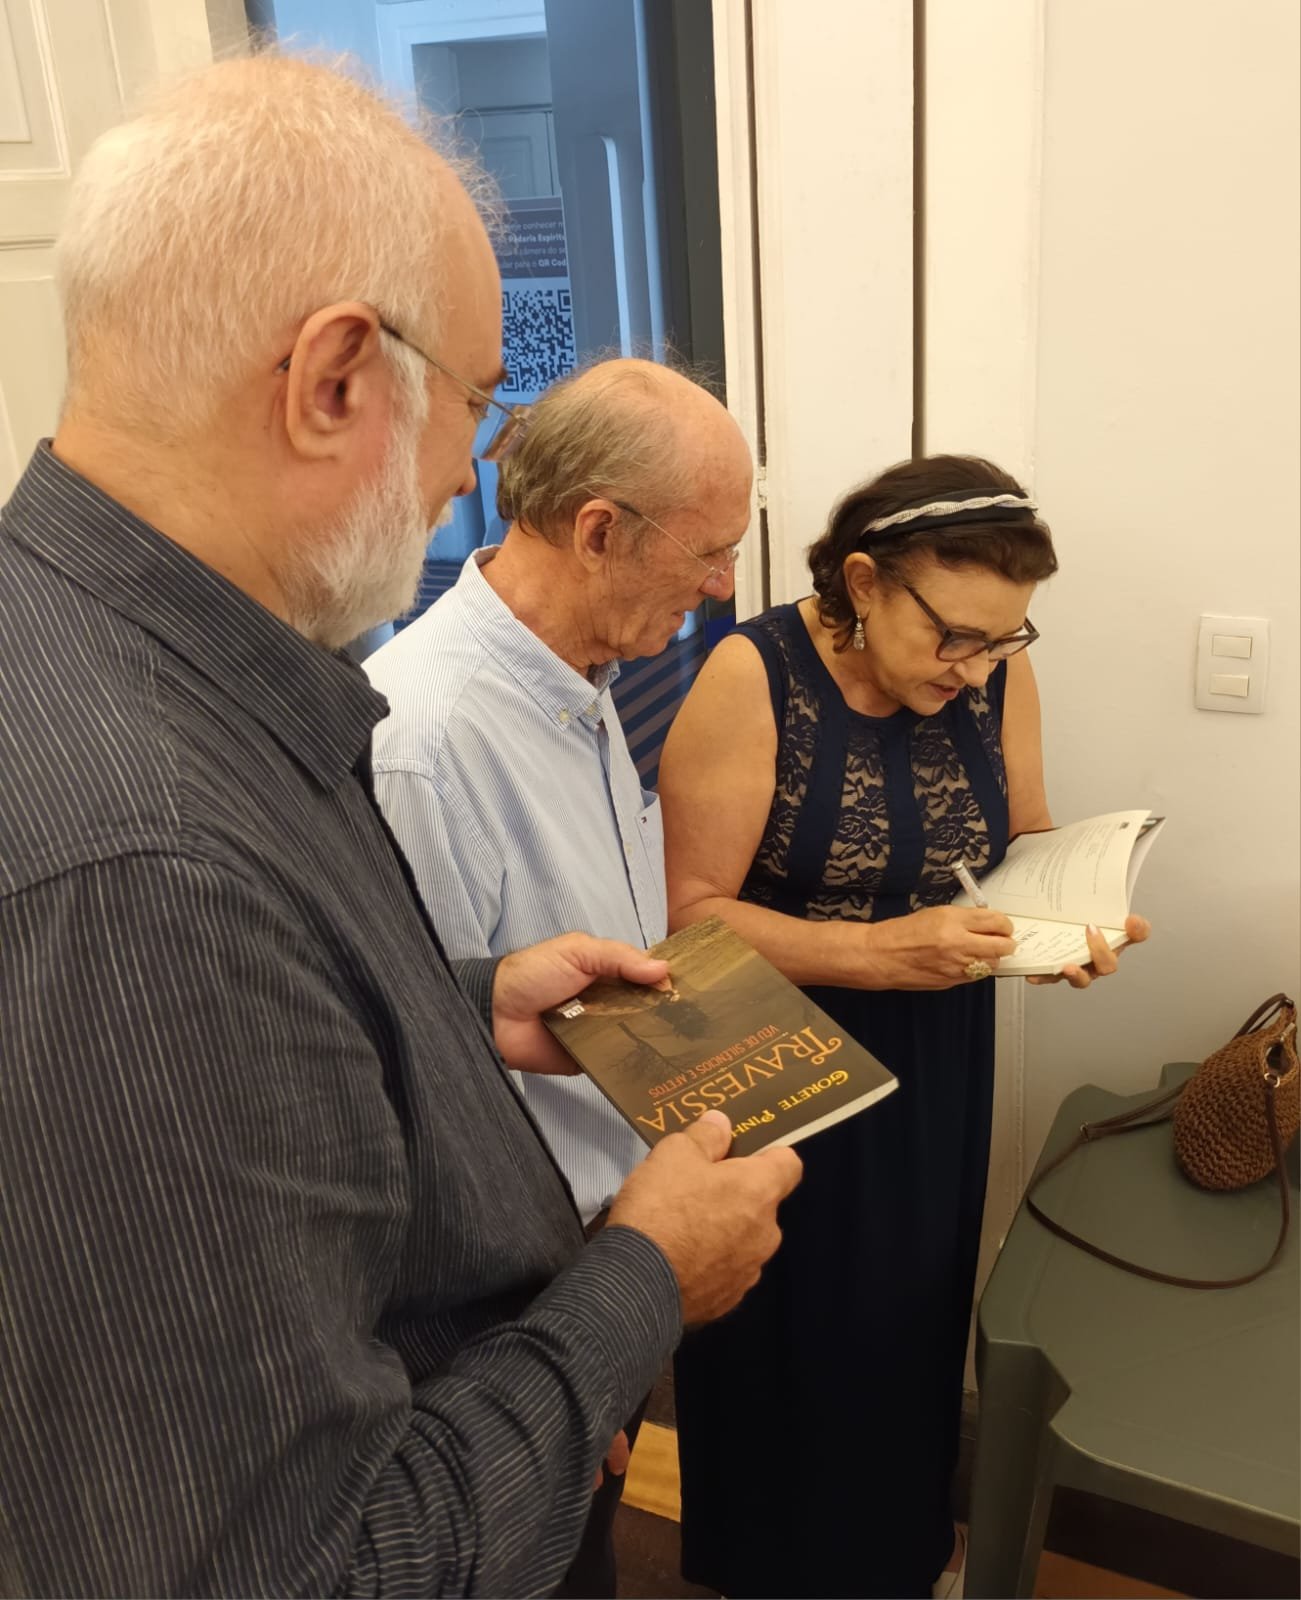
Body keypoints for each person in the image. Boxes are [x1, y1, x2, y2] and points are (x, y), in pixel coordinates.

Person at [0, 54, 802, 1598]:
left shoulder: (142, 668)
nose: (472, 470)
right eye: (478, 402)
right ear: (337, 380)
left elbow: (242, 1058)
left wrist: (455, 1007)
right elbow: (315, 1568)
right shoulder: (144, 872)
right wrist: (644, 1278)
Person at [657, 455, 1152, 1600]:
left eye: (1000, 639)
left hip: (933, 1049)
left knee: (905, 1308)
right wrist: (877, 953)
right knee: (782, 1320)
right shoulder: (751, 674)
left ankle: (892, 1555)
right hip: (773, 1049)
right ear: (864, 581)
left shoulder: (992, 671)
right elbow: (692, 918)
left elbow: (1022, 837)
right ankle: (765, 1568)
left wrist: (1061, 923)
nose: (973, 667)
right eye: (953, 637)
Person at [365, 356, 752, 1593]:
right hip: (517, 1298)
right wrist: (537, 1361)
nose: (722, 584)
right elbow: (412, 1116)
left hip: (596, 1245)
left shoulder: (582, 677)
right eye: (709, 551)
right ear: (596, 531)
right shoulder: (421, 741)